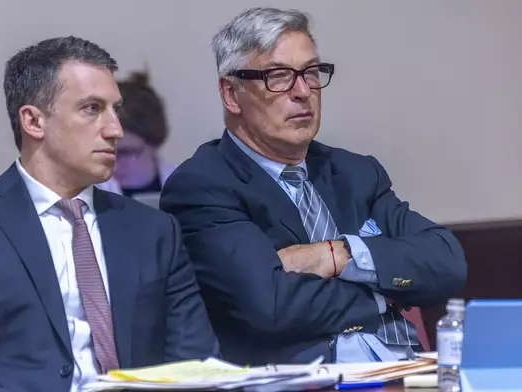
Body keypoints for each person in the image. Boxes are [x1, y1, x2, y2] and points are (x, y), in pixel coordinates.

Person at [0, 36, 219, 392]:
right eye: (92, 108)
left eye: (114, 109)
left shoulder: (155, 230)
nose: (115, 130)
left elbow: (196, 363)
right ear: (33, 121)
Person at [160, 7, 467, 366]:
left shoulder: (354, 172)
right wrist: (381, 292)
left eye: (311, 72)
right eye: (279, 76)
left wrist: (336, 255)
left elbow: (448, 262)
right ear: (231, 93)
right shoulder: (203, 186)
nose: (303, 91)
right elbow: (270, 306)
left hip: (411, 370)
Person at [96, 71, 175, 199]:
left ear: (154, 143)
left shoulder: (192, 188)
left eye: (125, 153)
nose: (113, 166)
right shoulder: (82, 195)